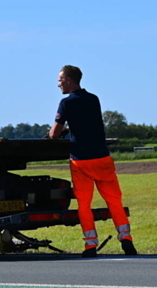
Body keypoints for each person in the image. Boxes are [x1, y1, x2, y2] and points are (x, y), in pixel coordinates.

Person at [48, 65, 136, 257]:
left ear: (69, 80)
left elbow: (54, 134)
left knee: (84, 205)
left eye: (60, 80)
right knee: (114, 202)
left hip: (81, 162)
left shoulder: (65, 103)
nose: (58, 84)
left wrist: (56, 132)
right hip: (102, 158)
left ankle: (90, 245)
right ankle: (126, 239)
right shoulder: (93, 99)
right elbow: (87, 124)